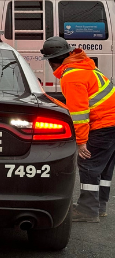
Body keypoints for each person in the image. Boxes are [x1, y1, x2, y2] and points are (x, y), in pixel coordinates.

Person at [41, 36, 115, 222]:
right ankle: (99, 205)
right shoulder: (85, 67)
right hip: (111, 123)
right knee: (103, 167)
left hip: (103, 125)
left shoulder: (71, 76)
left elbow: (80, 114)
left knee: (88, 164)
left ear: (52, 61)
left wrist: (81, 143)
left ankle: (88, 210)